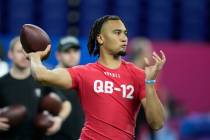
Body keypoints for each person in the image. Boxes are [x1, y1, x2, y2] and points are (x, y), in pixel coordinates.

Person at [26, 15, 166, 139]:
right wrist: (35, 57)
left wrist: (150, 82)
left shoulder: (139, 75)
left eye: (125, 33)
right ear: (100, 38)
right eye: (117, 33)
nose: (124, 38)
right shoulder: (85, 73)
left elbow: (157, 123)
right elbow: (41, 76)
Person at [0, 37, 71, 140]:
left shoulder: (41, 79)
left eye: (27, 51)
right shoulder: (2, 83)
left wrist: (59, 119)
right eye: (20, 51)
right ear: (10, 54)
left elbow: (66, 103)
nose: (24, 55)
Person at [51, 36, 84, 140]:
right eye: (67, 51)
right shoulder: (48, 79)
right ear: (58, 55)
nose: (72, 55)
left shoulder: (85, 78)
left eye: (75, 51)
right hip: (55, 136)